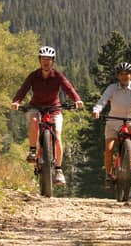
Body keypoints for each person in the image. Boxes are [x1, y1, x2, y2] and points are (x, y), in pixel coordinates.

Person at [10, 46, 84, 186]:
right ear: (39, 60)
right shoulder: (34, 76)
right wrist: (16, 101)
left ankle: (58, 170)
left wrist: (77, 100)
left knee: (57, 135)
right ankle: (33, 150)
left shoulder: (58, 76)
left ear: (53, 61)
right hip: (36, 107)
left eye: (48, 59)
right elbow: (23, 89)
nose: (46, 62)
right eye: (43, 59)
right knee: (34, 119)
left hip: (54, 109)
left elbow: (68, 88)